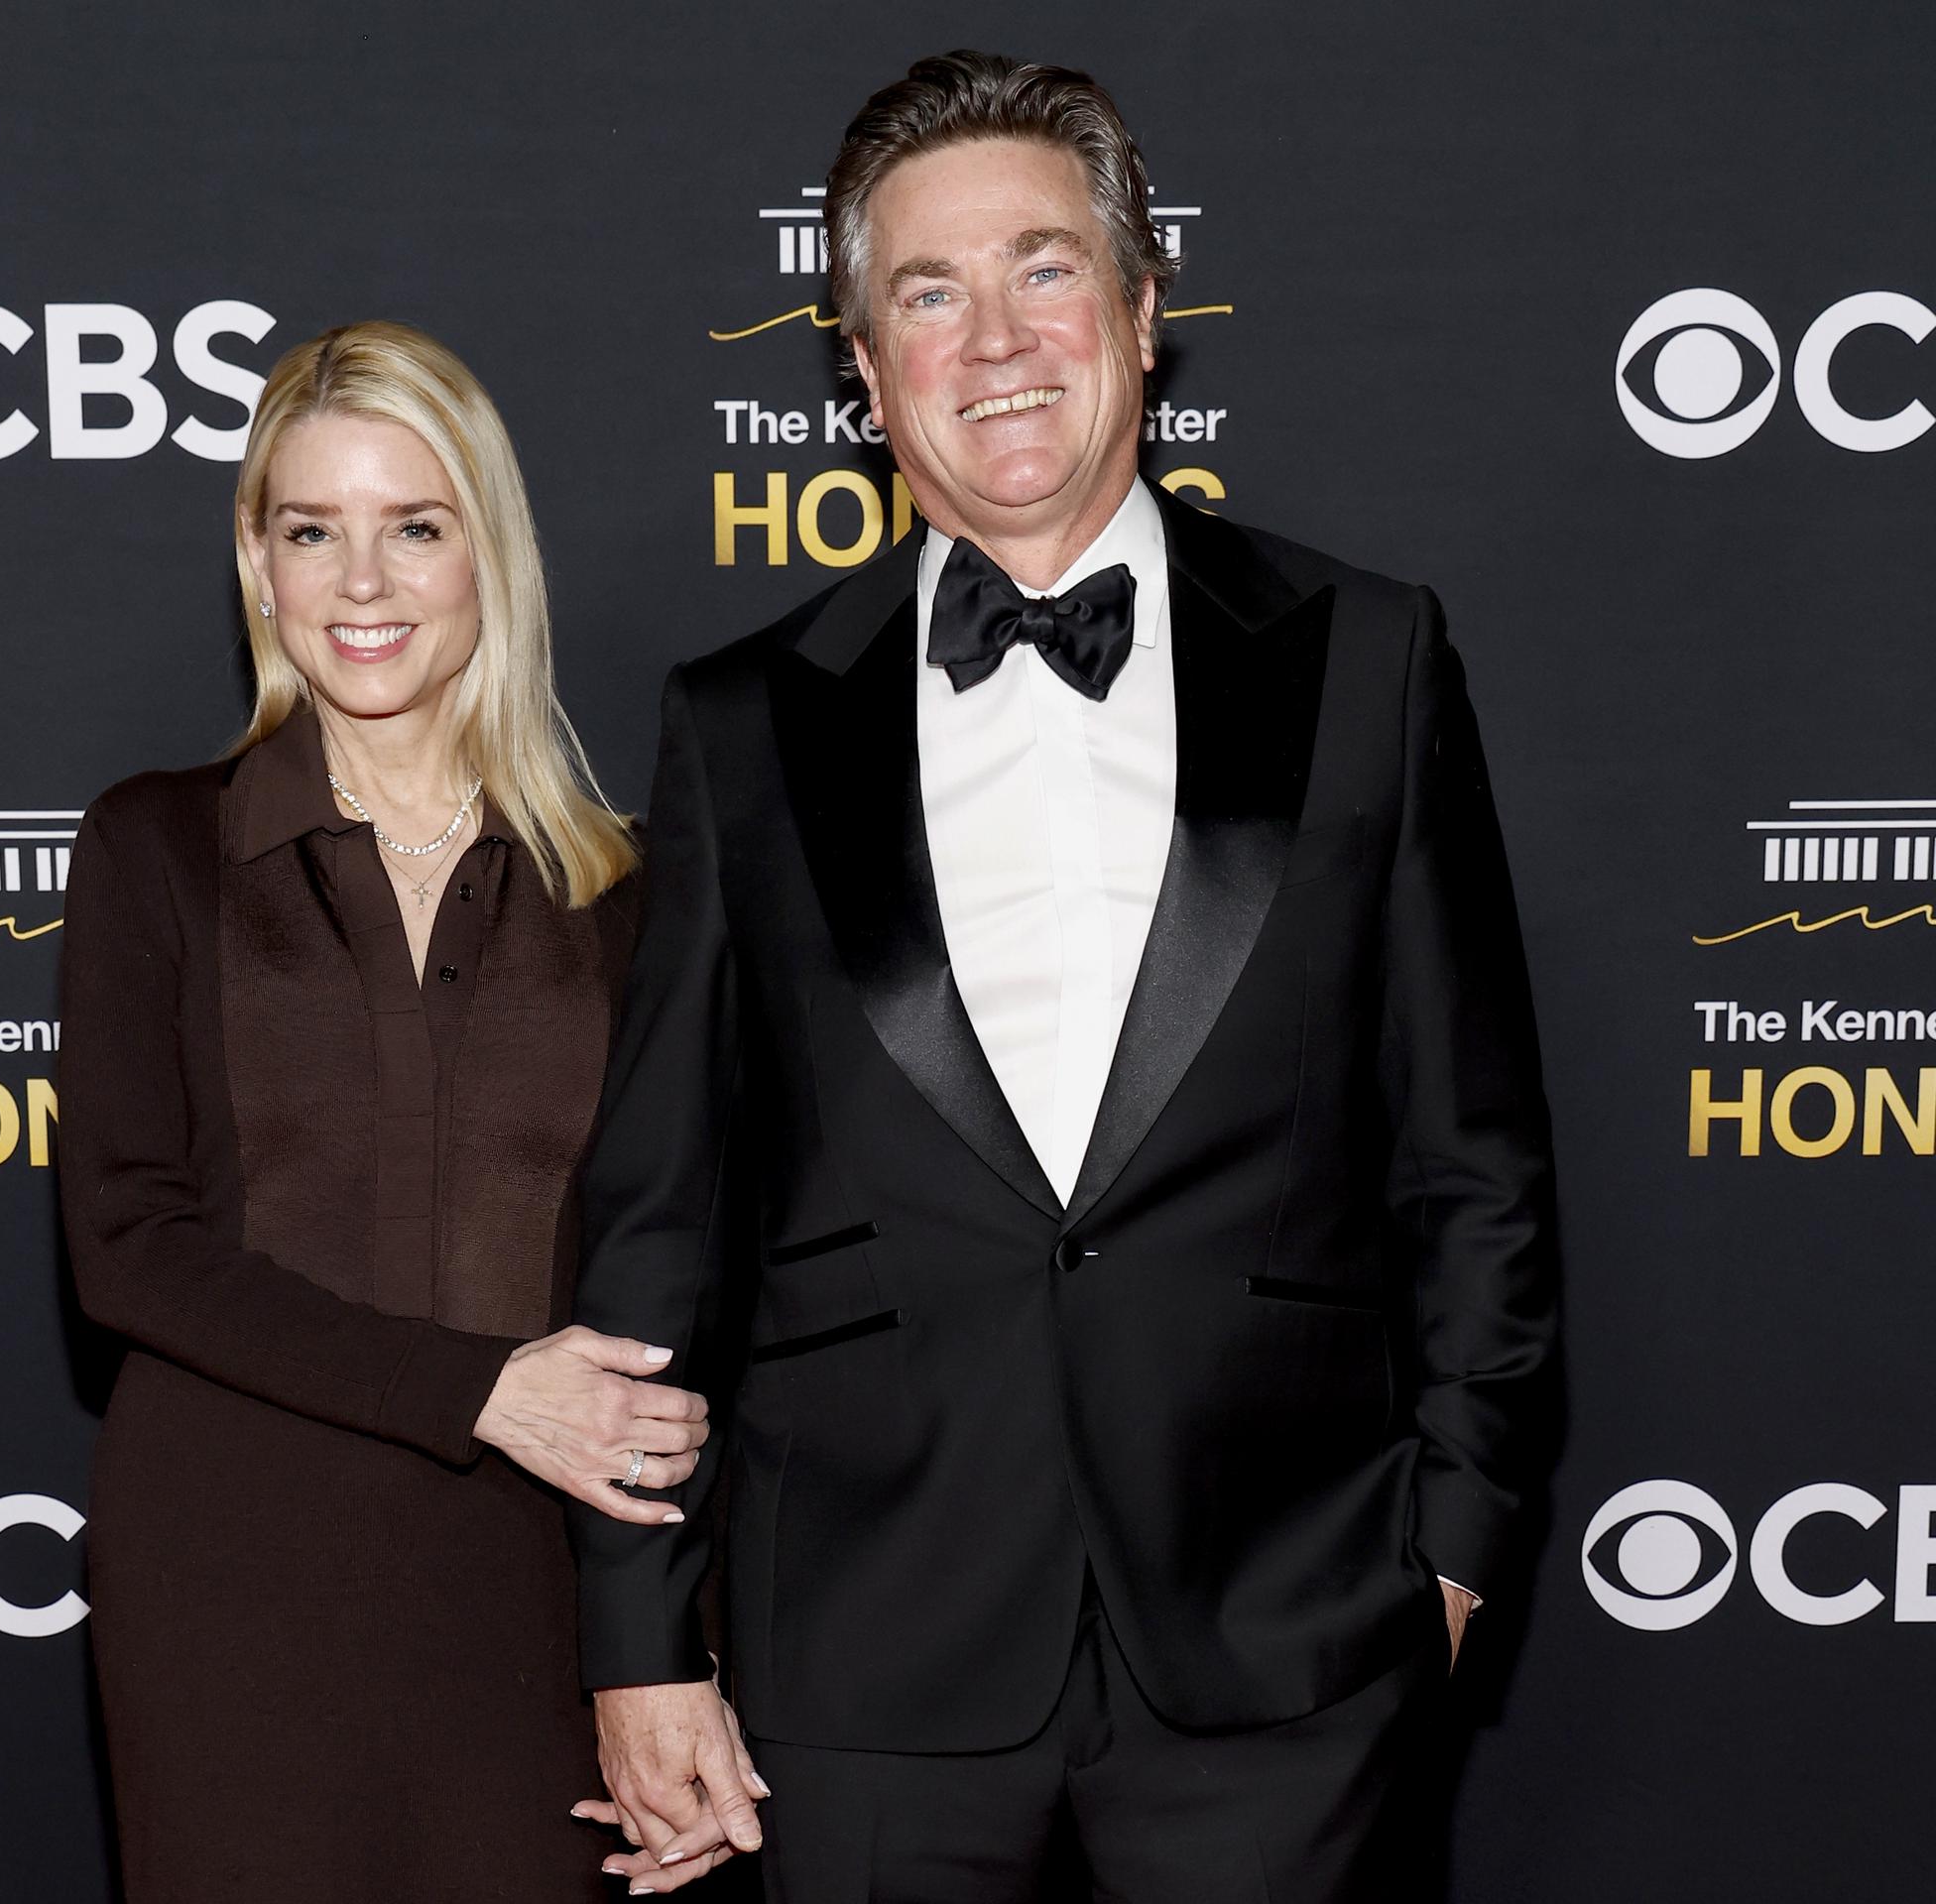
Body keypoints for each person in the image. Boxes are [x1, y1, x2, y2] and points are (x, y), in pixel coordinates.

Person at [567, 51, 1559, 1902]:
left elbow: (1474, 1160)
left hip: (1291, 1646)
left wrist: (1453, 1547)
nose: (998, 339)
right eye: (928, 294)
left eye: (1044, 268)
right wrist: (640, 1639)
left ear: (1143, 310)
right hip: (861, 1663)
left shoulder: (1369, 657)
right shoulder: (741, 722)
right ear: (865, 371)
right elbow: (658, 1224)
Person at [59, 320, 711, 1902]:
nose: (362, 582)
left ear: (489, 554)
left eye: (415, 526)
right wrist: (484, 1392)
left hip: (531, 1603)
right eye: (311, 531)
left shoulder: (626, 892)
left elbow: (676, 1291)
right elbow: (129, 1248)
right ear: (257, 563)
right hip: (225, 1588)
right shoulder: (158, 848)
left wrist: (678, 1645)